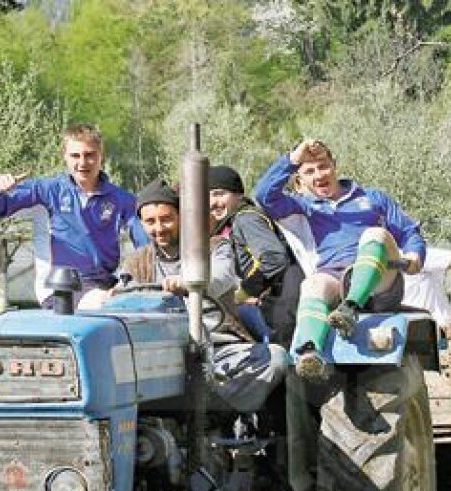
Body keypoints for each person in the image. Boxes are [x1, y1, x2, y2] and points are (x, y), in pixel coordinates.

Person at [255, 138, 426, 381]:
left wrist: (415, 255)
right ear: (299, 180)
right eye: (309, 171)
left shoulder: (374, 198)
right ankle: (309, 352)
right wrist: (293, 158)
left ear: (334, 166)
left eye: (323, 166)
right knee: (312, 285)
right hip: (336, 278)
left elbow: (409, 232)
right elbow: (263, 196)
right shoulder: (303, 207)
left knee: (374, 234)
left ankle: (351, 308)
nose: (319, 174)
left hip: (381, 280)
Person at [120, 179, 287, 414]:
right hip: (159, 350)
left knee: (276, 358)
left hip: (217, 345)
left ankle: (217, 411)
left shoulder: (214, 247)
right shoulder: (136, 262)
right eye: (150, 221)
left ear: (181, 217)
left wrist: (190, 283)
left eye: (166, 218)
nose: (159, 228)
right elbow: (122, 295)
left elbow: (221, 278)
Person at [0, 123, 149, 309]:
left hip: (106, 285)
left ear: (101, 156)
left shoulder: (122, 199)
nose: (82, 162)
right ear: (64, 157)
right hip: (59, 287)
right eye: (75, 155)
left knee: (134, 305)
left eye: (90, 155)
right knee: (103, 303)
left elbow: (146, 242)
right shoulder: (45, 191)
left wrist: (142, 276)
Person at [207, 165, 304, 347]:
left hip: (281, 303)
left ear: (238, 194)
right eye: (208, 196)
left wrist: (244, 292)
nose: (213, 202)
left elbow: (273, 258)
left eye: (219, 193)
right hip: (277, 299)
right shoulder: (235, 222)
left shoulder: (246, 219)